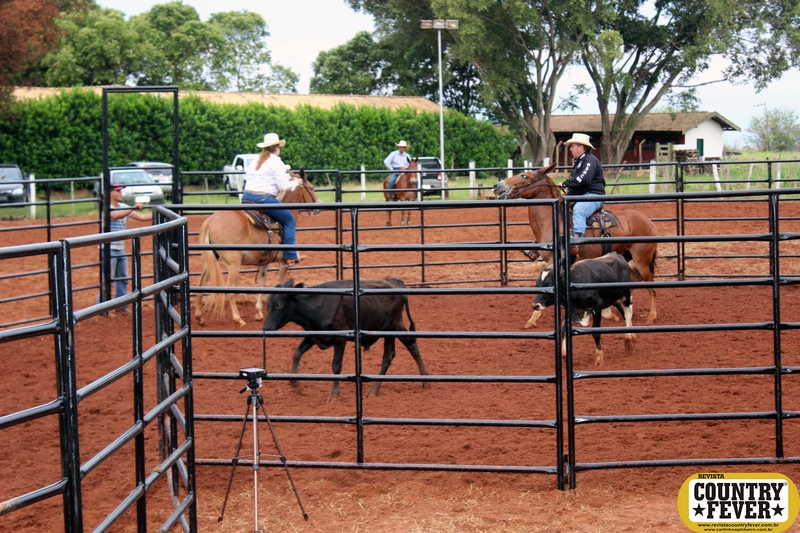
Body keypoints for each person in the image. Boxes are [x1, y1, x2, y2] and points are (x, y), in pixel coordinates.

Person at [241, 132, 303, 264]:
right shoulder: (276, 161)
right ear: (276, 147)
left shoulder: (256, 161)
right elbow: (283, 185)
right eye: (279, 146)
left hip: (247, 198)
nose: (279, 149)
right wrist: (296, 183)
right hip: (263, 199)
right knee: (289, 220)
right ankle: (290, 255)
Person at [100, 184, 152, 316]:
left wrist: (158, 213)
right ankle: (102, 309)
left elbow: (141, 217)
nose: (121, 193)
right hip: (108, 248)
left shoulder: (123, 207)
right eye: (118, 191)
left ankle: (121, 306)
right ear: (110, 194)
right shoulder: (106, 207)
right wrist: (133, 207)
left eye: (121, 191)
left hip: (119, 248)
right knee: (108, 279)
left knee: (122, 278)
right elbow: (115, 216)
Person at [560, 133, 606, 242]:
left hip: (594, 195)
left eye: (572, 146)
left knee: (579, 209)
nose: (570, 149)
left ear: (581, 147)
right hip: (584, 194)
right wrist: (570, 192)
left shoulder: (590, 160)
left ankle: (577, 238)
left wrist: (566, 183)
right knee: (559, 206)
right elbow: (579, 182)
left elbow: (584, 179)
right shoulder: (581, 161)